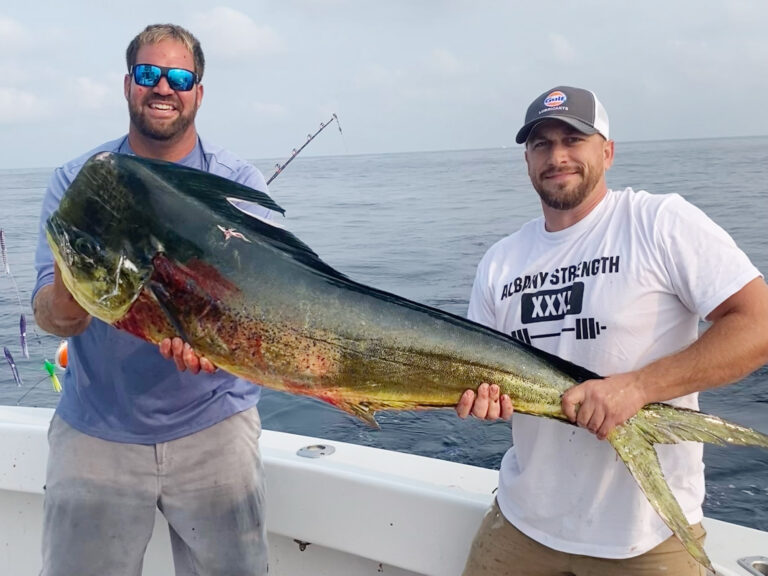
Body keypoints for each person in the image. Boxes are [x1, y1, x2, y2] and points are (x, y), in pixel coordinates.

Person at [455, 85, 768, 575]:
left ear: (608, 150)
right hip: (522, 526)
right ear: (527, 160)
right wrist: (483, 403)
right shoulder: (500, 261)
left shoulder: (659, 222)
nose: (557, 156)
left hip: (646, 538)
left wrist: (637, 388)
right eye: (541, 144)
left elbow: (759, 324)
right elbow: (477, 376)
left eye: (572, 139)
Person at [32, 24, 270, 576]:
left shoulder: (236, 181)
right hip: (97, 428)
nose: (163, 86)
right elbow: (55, 315)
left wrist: (218, 343)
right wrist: (72, 285)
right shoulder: (80, 181)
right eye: (148, 73)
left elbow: (253, 309)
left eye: (179, 77)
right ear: (127, 85)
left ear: (199, 93)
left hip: (217, 424)